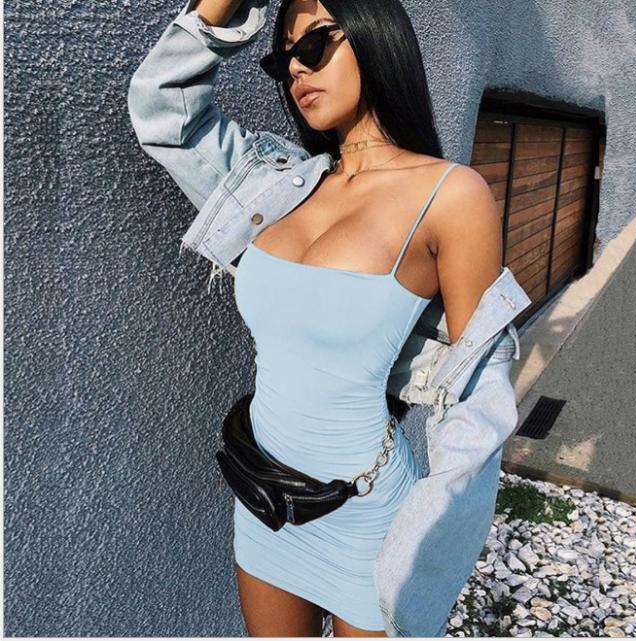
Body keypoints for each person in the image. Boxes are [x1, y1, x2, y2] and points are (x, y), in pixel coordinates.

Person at [128, 0, 517, 636]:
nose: (296, 70)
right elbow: (161, 107)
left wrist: (430, 541)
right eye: (283, 59)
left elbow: (477, 394)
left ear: (375, 37)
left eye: (313, 45)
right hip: (265, 499)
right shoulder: (273, 185)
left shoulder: (451, 195)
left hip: (368, 517)